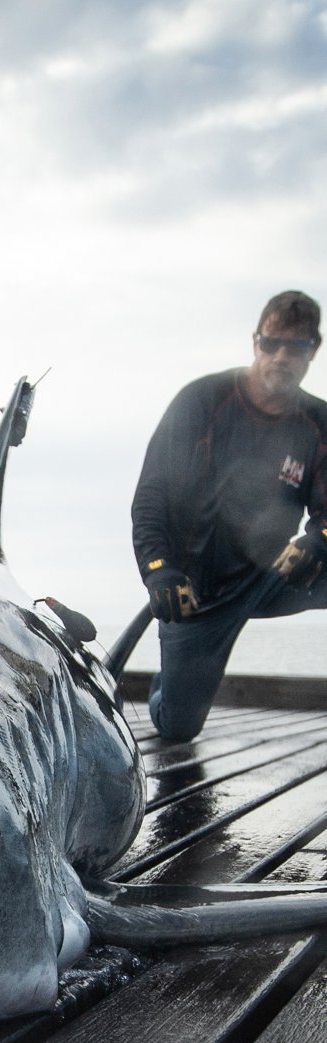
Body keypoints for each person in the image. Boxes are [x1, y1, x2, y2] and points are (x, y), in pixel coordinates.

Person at [131, 290, 327, 741]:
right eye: (271, 343)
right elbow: (151, 497)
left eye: (295, 347)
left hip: (274, 575)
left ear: (313, 350)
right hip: (199, 594)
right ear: (255, 342)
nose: (281, 356)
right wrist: (159, 569)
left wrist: (318, 538)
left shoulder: (317, 422)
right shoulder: (203, 400)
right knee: (178, 727)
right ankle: (173, 678)